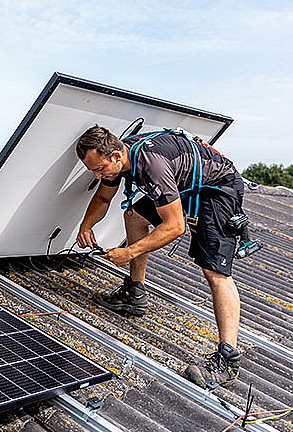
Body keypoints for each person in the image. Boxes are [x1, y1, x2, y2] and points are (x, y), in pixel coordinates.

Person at [75, 125, 244, 387]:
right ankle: (135, 293)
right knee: (133, 216)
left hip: (218, 189)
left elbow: (175, 226)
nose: (98, 176)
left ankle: (228, 359)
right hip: (187, 186)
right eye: (94, 170)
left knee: (215, 272)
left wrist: (129, 252)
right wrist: (86, 226)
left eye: (100, 169)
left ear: (117, 157)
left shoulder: (151, 166)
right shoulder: (117, 155)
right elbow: (104, 198)